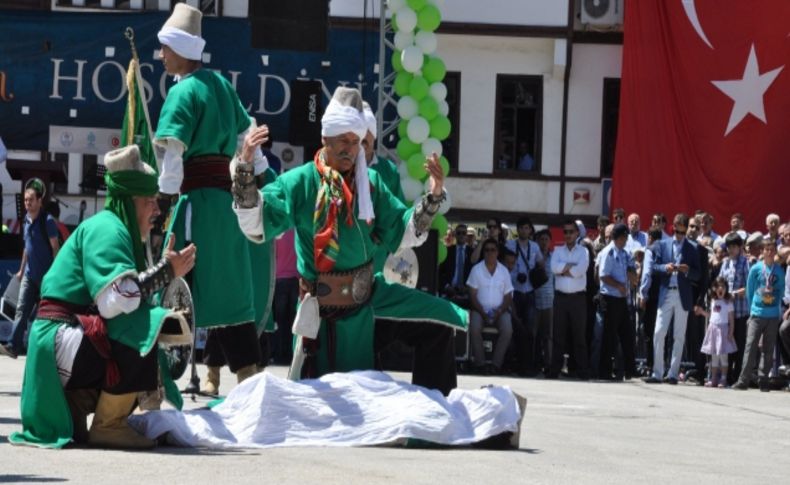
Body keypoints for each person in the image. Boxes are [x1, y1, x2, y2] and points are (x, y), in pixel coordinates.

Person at [231, 87, 467, 395]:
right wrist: (245, 171)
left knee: (438, 319)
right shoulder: (301, 181)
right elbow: (256, 223)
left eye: (356, 142)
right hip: (323, 310)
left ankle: (437, 413)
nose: (351, 149)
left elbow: (404, 231)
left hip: (369, 298)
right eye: (343, 140)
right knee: (330, 403)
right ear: (325, 139)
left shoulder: (371, 184)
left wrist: (433, 197)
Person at [9, 145, 196, 449]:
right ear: (131, 200)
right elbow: (113, 303)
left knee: (136, 321)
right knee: (142, 327)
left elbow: (124, 294)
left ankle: (76, 408)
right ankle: (109, 425)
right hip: (59, 339)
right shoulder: (109, 229)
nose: (157, 211)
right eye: (151, 201)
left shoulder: (114, 228)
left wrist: (163, 270)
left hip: (63, 341)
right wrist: (164, 272)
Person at [153, 3, 268, 390]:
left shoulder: (183, 92)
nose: (162, 55)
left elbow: (174, 155)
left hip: (197, 206)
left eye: (166, 48)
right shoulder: (221, 86)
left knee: (181, 288)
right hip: (229, 207)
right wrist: (260, 178)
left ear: (182, 50)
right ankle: (244, 377)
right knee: (231, 290)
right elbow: (247, 139)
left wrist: (165, 201)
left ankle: (159, 378)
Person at [0, 179, 60, 359]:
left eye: (31, 199)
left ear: (39, 201)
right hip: (29, 275)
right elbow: (27, 247)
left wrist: (55, 272)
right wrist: (21, 269)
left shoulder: (47, 221)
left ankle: (41, 349)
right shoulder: (26, 221)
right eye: (26, 200)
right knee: (21, 309)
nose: (27, 203)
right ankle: (13, 346)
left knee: (43, 315)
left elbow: (55, 248)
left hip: (45, 277)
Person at [643, 213, 701, 384]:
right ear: (673, 228)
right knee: (659, 332)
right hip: (666, 291)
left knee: (679, 336)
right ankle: (657, 373)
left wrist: (687, 270)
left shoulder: (692, 248)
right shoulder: (662, 244)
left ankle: (673, 374)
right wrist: (665, 267)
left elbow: (698, 274)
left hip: (682, 294)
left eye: (684, 233)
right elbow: (653, 266)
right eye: (679, 232)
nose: (681, 236)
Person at [732, 237, 785, 392]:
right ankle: (743, 380)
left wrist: (774, 301)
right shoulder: (756, 268)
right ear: (762, 251)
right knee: (750, 346)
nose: (769, 252)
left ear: (775, 252)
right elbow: (750, 289)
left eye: (772, 250)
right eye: (766, 249)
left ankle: (764, 379)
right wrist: (752, 308)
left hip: (773, 314)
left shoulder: (779, 271)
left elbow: (781, 289)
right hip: (756, 312)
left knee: (768, 349)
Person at [549, 220, 590, 379]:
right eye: (565, 232)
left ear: (577, 233)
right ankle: (554, 371)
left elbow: (580, 270)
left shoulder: (583, 252)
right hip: (560, 298)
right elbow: (554, 268)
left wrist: (563, 268)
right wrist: (568, 267)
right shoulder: (558, 250)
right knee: (558, 336)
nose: (567, 235)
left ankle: (582, 372)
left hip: (577, 299)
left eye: (571, 232)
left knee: (579, 336)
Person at [466, 239, 514, 374]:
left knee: (508, 329)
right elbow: (472, 295)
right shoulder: (476, 270)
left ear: (497, 252)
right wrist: (482, 312)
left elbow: (508, 296)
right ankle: (480, 364)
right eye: (486, 250)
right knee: (474, 327)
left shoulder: (504, 271)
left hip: (500, 310)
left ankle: (496, 365)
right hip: (479, 309)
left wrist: (499, 311)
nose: (489, 252)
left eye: (493, 249)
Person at [598, 224, 636, 380]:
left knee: (627, 335)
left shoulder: (624, 253)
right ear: (619, 237)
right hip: (610, 298)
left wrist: (632, 274)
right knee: (609, 336)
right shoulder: (609, 252)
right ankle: (604, 371)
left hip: (621, 299)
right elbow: (603, 276)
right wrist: (619, 285)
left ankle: (629, 370)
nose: (626, 240)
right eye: (625, 237)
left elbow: (631, 270)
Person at [505, 216, 543, 373]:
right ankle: (511, 364)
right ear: (517, 230)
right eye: (521, 228)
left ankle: (527, 366)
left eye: (527, 228)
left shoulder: (534, 246)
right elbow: (504, 264)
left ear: (530, 230)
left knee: (529, 330)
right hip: (513, 290)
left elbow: (540, 263)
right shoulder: (509, 244)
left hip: (529, 291)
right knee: (513, 328)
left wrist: (533, 273)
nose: (524, 230)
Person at [718, 233, 750, 384]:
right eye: (729, 247)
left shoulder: (745, 263)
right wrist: (721, 292)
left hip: (741, 311)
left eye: (734, 247)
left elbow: (750, 287)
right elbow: (719, 284)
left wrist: (734, 294)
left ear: (740, 247)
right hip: (726, 313)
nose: (731, 250)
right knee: (727, 344)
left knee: (740, 344)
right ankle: (727, 375)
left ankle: (738, 377)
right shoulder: (725, 263)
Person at [695, 277, 737, 388]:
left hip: (723, 331)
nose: (720, 288)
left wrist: (731, 332)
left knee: (723, 356)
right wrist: (702, 312)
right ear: (714, 289)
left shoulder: (728, 302)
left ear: (726, 289)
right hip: (713, 330)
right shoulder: (713, 301)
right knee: (714, 357)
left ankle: (723, 378)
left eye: (723, 286)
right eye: (718, 286)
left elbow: (731, 319)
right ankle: (713, 378)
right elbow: (711, 315)